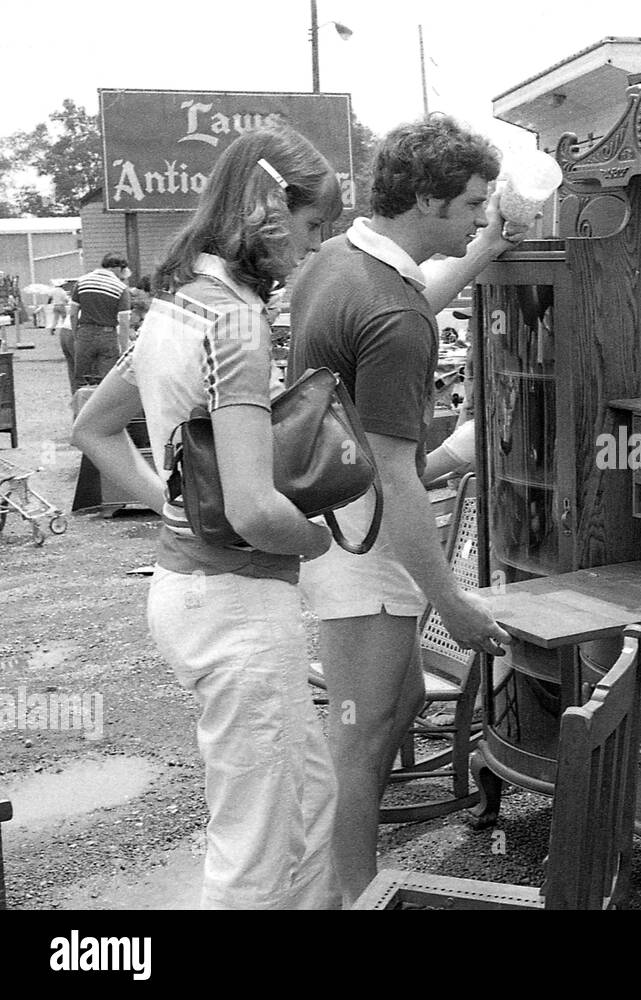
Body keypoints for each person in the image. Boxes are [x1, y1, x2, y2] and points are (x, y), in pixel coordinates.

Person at [71, 123, 344, 909]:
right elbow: (259, 510)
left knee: (306, 799)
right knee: (252, 852)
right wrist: (316, 536)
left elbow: (92, 422)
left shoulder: (179, 308)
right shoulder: (236, 321)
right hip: (238, 602)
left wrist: (172, 500)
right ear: (269, 207)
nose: (312, 245)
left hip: (185, 591)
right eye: (311, 224)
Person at [288, 113, 524, 904]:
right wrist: (451, 602)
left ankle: (344, 877)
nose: (479, 215)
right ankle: (351, 894)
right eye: (470, 205)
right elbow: (398, 476)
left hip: (329, 518)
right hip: (361, 538)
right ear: (426, 199)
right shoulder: (396, 316)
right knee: (359, 738)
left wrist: (484, 252)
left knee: (405, 700)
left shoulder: (338, 261)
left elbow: (409, 297)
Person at [68, 253, 132, 386]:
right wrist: (124, 348)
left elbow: (73, 313)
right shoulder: (121, 288)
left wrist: (76, 335)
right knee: (106, 382)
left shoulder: (82, 282)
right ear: (119, 268)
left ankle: (82, 405)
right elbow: (124, 322)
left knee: (83, 379)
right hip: (108, 335)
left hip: (85, 333)